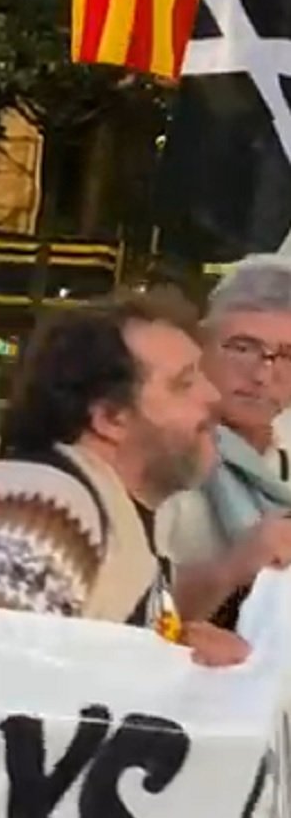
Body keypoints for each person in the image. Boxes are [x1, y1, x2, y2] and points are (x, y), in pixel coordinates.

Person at [0, 294, 248, 666]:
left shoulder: (100, 510)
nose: (213, 396)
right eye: (183, 384)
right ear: (109, 418)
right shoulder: (35, 510)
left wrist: (181, 665)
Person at [160, 258, 291, 628]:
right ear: (200, 348)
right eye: (243, 347)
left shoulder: (284, 460)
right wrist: (233, 566)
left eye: (287, 355)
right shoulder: (161, 461)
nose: (263, 373)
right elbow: (127, 608)